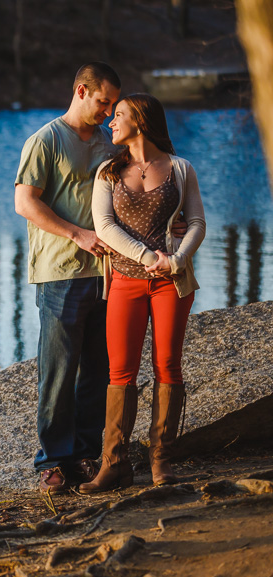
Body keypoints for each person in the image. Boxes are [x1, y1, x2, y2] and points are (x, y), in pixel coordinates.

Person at [79, 93, 205, 493]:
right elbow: (104, 226)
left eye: (118, 115)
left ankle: (161, 462)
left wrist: (176, 259)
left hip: (172, 282)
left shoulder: (181, 169)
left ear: (142, 121)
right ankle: (114, 463)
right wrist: (149, 254)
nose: (110, 122)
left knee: (168, 366)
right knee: (121, 372)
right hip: (125, 282)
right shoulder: (108, 172)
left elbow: (198, 222)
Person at [14, 63, 121, 494]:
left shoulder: (106, 143)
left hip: (107, 274)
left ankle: (85, 455)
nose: (109, 111)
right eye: (104, 102)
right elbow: (25, 203)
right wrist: (78, 234)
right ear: (82, 90)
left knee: (98, 369)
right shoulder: (46, 140)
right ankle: (52, 461)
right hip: (61, 273)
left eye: (114, 104)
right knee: (59, 370)